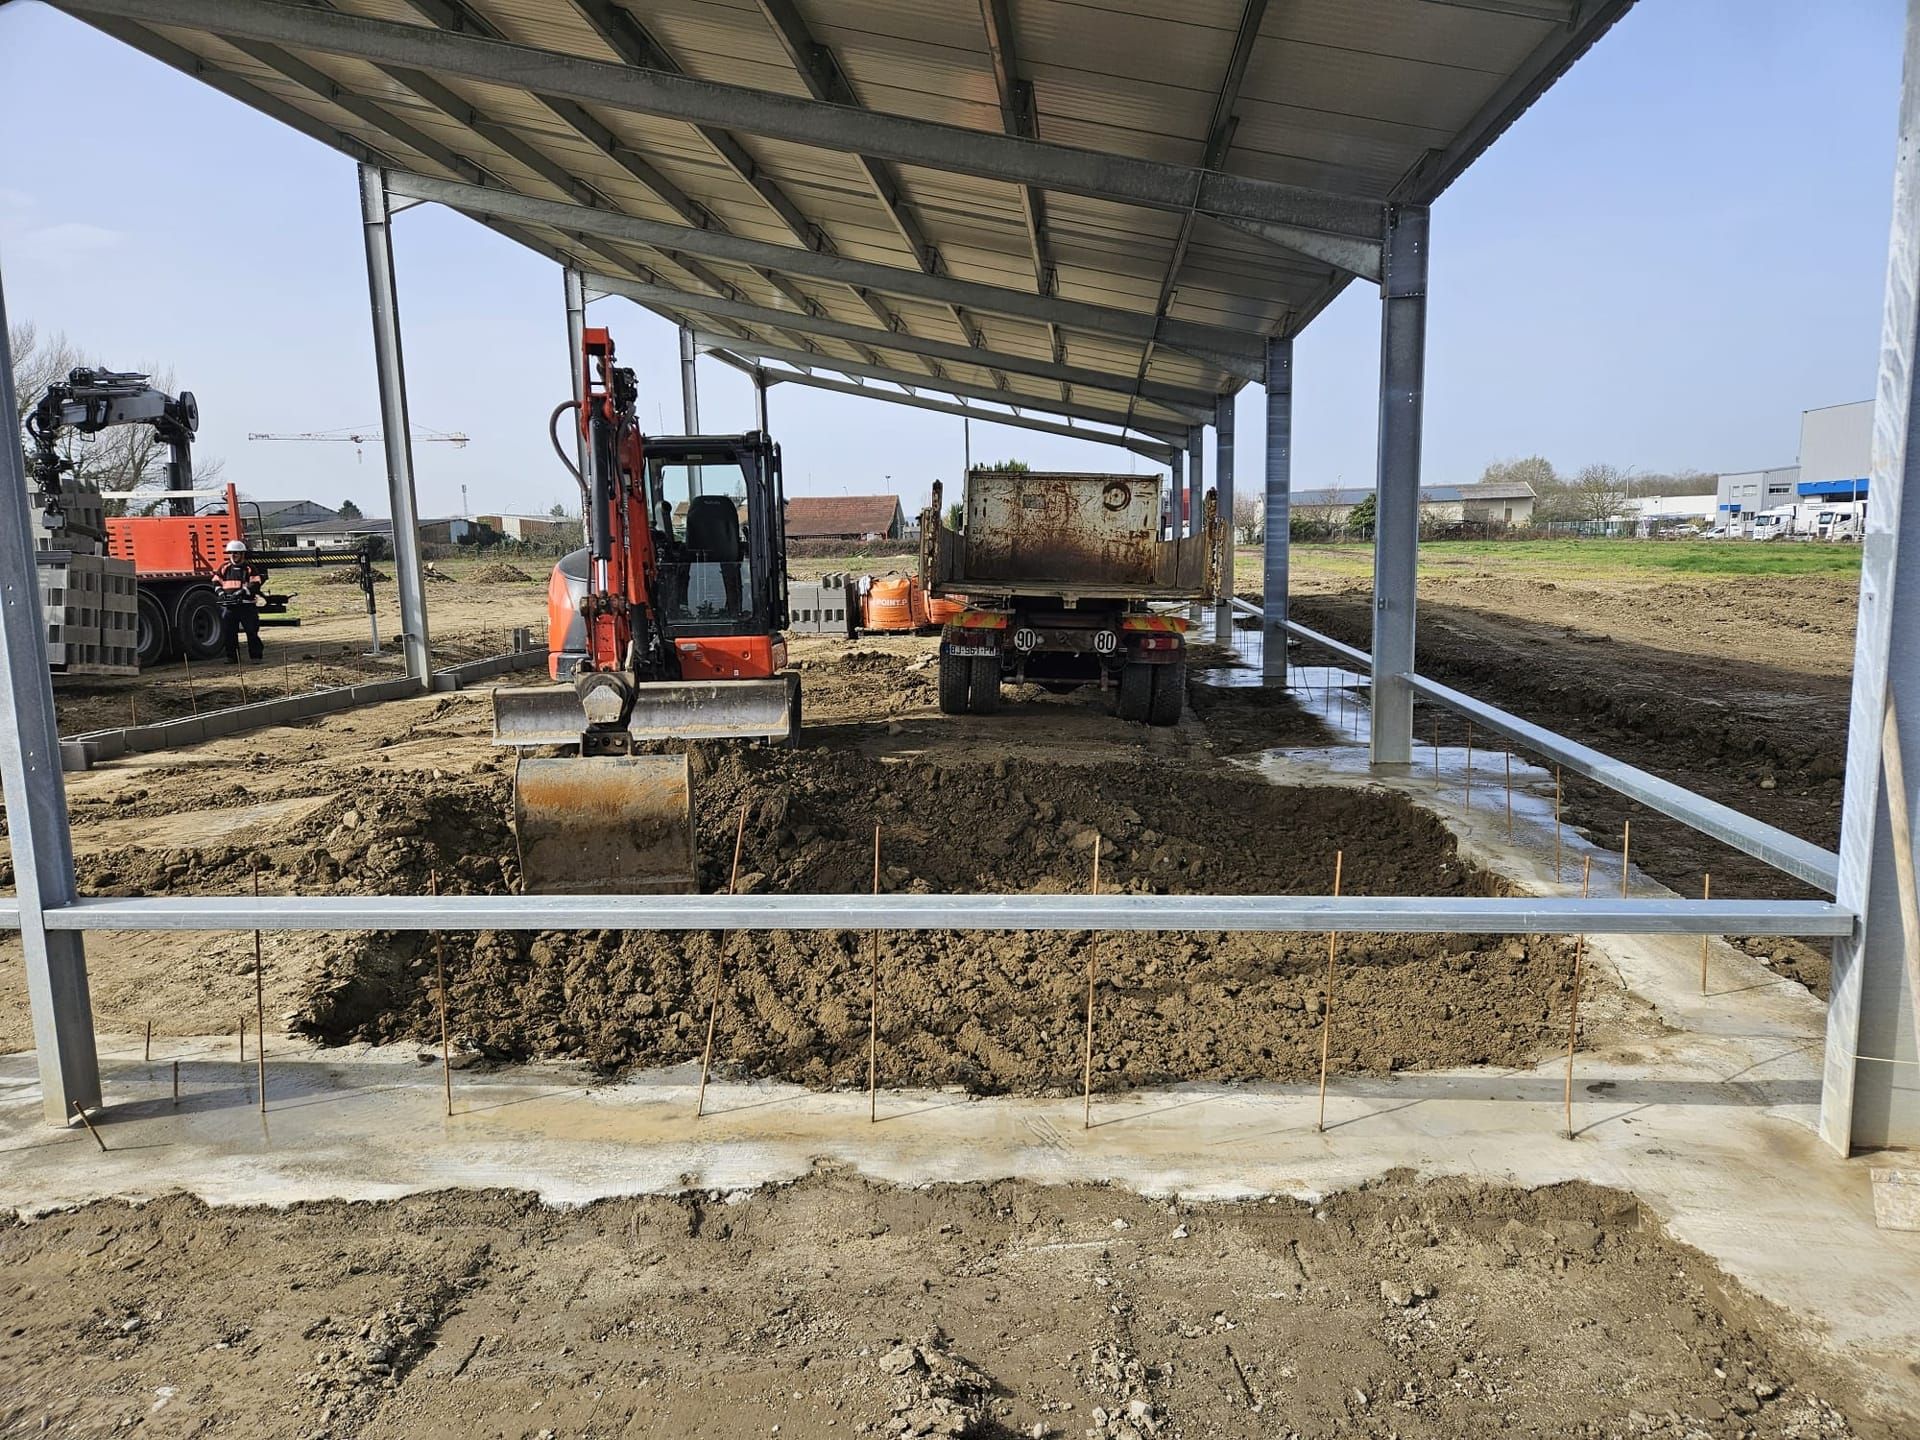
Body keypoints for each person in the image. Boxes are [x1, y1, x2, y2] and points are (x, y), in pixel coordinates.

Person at [214, 538, 267, 663]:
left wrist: (242, 592)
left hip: (246, 606)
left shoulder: (250, 568)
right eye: (231, 553)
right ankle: (231, 657)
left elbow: (255, 584)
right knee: (229, 632)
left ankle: (256, 657)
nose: (233, 555)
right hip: (230, 606)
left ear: (242, 554)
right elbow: (216, 581)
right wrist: (221, 593)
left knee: (251, 631)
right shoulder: (224, 568)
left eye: (236, 553)